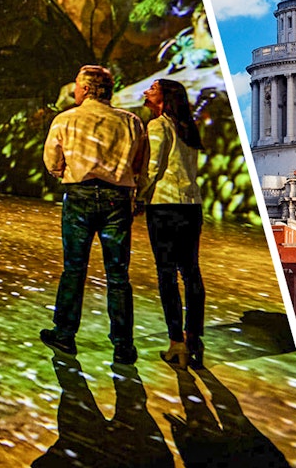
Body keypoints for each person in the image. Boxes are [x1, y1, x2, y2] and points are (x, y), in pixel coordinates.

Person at [41, 65, 147, 365]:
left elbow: (52, 161)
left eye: (76, 84)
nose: (73, 89)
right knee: (118, 276)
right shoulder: (131, 121)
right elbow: (140, 164)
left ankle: (64, 334)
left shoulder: (65, 119)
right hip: (117, 200)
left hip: (80, 196)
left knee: (74, 269)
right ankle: (123, 345)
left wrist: (70, 173)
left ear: (86, 89)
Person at [141, 78, 206, 368]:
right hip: (191, 206)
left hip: (165, 206)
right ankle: (194, 338)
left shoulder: (158, 126)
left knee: (167, 275)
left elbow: (152, 167)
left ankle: (175, 343)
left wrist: (137, 197)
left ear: (165, 99)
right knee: (191, 274)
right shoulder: (188, 129)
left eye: (152, 89)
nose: (145, 91)